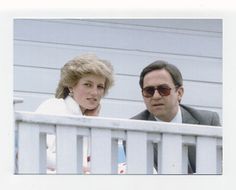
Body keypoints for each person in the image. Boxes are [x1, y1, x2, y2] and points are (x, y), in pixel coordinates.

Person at [132, 60, 221, 173]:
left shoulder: (208, 121)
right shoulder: (134, 127)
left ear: (179, 92)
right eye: (149, 91)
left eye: (163, 90)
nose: (155, 96)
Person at [35, 54, 114, 174]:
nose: (95, 92)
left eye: (100, 87)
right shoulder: (54, 106)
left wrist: (90, 122)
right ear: (71, 86)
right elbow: (34, 150)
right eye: (88, 84)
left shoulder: (90, 118)